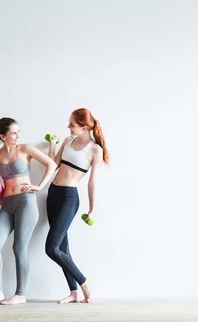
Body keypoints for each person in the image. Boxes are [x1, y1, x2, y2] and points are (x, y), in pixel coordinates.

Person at [0, 117, 57, 307]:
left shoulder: (25, 149)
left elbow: (52, 164)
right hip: (6, 205)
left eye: (18, 132)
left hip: (26, 203)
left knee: (18, 247)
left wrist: (39, 186)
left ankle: (20, 294)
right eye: (13, 133)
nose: (18, 135)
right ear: (3, 136)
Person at [45, 108, 109, 304]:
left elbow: (92, 181)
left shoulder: (94, 149)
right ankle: (73, 292)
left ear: (84, 126)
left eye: (72, 124)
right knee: (63, 247)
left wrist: (92, 209)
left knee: (51, 248)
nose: (68, 127)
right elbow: (54, 164)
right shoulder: (67, 141)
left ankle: (84, 283)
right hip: (52, 194)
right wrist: (52, 145)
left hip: (69, 198)